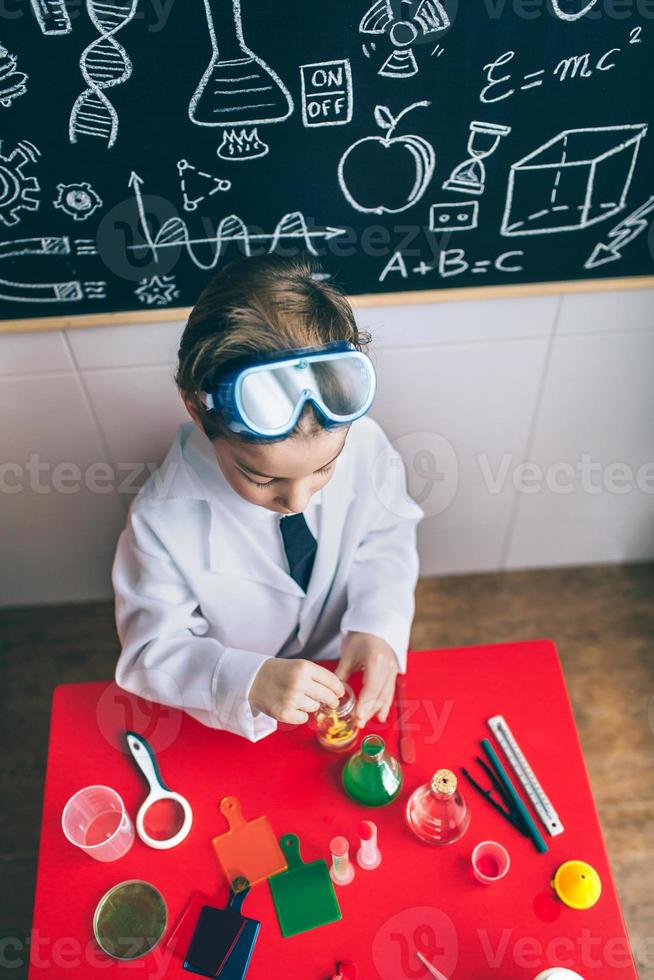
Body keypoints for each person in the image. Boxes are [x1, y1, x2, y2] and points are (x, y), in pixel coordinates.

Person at [112, 251, 423, 741]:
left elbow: (386, 535)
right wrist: (246, 678)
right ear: (197, 410)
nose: (297, 501)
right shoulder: (161, 520)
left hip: (330, 656)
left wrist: (377, 623)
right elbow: (154, 651)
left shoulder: (365, 443)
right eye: (262, 479)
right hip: (229, 715)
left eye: (324, 468)